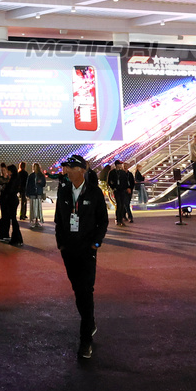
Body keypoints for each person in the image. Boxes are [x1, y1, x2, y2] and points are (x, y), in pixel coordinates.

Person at [54, 154, 108, 359]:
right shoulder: (64, 191)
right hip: (69, 251)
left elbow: (102, 221)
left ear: (81, 170)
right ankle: (90, 320)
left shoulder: (94, 193)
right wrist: (61, 243)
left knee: (86, 291)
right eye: (66, 168)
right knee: (78, 290)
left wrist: (95, 243)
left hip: (87, 251)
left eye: (69, 168)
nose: (66, 171)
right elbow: (59, 219)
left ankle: (85, 340)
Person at [0, 163, 24, 245]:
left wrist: (4, 189)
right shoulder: (15, 178)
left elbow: (9, 190)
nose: (7, 172)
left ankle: (17, 238)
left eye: (8, 170)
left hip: (10, 200)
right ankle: (16, 237)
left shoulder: (13, 180)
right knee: (12, 219)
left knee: (13, 219)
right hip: (12, 200)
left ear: (11, 171)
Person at [110, 159, 134, 226]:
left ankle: (120, 219)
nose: (120, 166)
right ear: (116, 165)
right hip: (117, 190)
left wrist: (127, 188)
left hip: (123, 191)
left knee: (122, 204)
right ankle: (118, 219)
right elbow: (109, 181)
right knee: (119, 204)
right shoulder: (112, 173)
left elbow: (126, 181)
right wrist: (113, 187)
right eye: (119, 164)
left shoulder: (123, 173)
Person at [26, 162, 46, 228]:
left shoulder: (40, 175)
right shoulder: (31, 176)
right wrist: (27, 193)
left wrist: (40, 183)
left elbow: (44, 184)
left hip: (38, 193)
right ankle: (34, 220)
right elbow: (28, 185)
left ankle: (37, 220)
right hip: (33, 193)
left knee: (37, 208)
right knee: (33, 208)